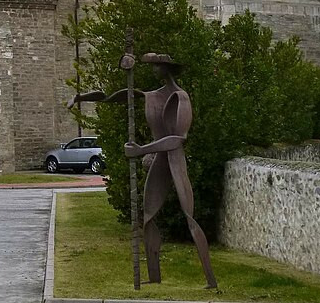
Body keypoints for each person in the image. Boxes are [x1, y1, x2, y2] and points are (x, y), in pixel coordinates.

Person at [67, 52, 217, 288]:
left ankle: (210, 279)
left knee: (189, 217)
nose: (153, 70)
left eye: (156, 66)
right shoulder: (151, 95)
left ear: (167, 69)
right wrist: (80, 97)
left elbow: (179, 139)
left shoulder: (181, 97)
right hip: (160, 160)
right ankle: (154, 276)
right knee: (148, 218)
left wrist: (141, 150)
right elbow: (113, 97)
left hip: (175, 160)